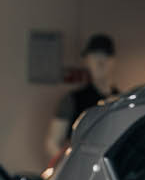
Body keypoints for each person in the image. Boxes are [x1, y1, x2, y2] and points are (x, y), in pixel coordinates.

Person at [45, 33, 119, 163]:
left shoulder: (121, 101)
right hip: (80, 166)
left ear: (112, 61)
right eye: (95, 57)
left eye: (105, 57)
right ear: (87, 61)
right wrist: (70, 164)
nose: (100, 62)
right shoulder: (72, 100)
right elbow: (52, 142)